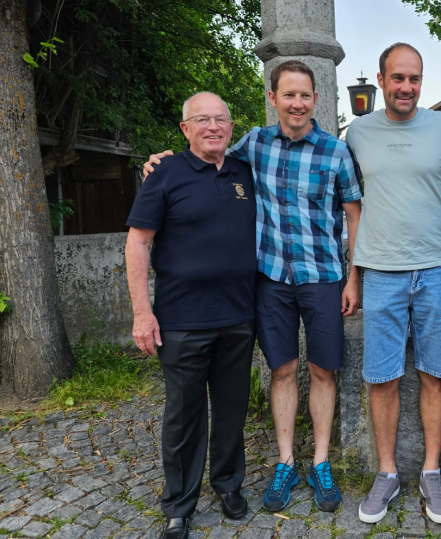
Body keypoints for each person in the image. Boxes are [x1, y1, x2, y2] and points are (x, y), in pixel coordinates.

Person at [144, 61, 363, 514]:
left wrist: (354, 276)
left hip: (323, 275)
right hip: (269, 278)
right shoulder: (255, 144)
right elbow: (208, 152)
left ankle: (320, 461)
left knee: (323, 371)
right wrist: (161, 159)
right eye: (289, 95)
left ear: (315, 100)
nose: (297, 103)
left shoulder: (335, 151)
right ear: (273, 98)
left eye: (305, 95)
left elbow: (354, 215)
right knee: (282, 370)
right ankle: (285, 461)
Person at [346, 42, 441, 525]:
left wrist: (439, 223)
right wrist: (353, 274)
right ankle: (386, 473)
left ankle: (431, 470)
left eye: (414, 78)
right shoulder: (357, 132)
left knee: (435, 373)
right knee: (382, 377)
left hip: (437, 270)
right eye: (398, 78)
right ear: (380, 81)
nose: (406, 87)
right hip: (380, 271)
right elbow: (348, 201)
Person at [126, 92, 257, 539]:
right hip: (181, 320)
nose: (214, 127)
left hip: (239, 315)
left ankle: (228, 485)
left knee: (231, 410)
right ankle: (179, 504)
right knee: (183, 415)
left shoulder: (244, 172)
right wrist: (142, 313)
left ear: (231, 126)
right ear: (185, 129)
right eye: (203, 120)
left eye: (221, 119)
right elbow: (138, 242)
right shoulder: (163, 173)